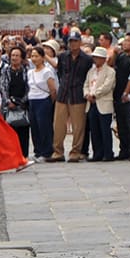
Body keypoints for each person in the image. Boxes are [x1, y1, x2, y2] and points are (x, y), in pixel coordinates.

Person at [48, 33, 92, 162]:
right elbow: (60, 72)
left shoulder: (86, 59)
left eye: (76, 41)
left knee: (78, 126)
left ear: (80, 42)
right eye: (71, 41)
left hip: (78, 95)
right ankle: (58, 152)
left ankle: (75, 152)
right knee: (58, 125)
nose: (73, 44)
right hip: (63, 94)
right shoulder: (63, 56)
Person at [112, 32, 130, 161]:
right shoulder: (121, 56)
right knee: (121, 124)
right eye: (124, 41)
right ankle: (123, 149)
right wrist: (114, 53)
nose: (125, 43)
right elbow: (112, 66)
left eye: (128, 41)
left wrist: (127, 92)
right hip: (118, 93)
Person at [0, 45, 32, 160]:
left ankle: (24, 155)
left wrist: (21, 102)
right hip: (9, 106)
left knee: (23, 132)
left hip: (23, 105)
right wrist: (8, 102)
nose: (14, 58)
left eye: (17, 55)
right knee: (10, 132)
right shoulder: (5, 71)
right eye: (12, 55)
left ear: (22, 57)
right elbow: (3, 88)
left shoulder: (27, 70)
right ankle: (12, 156)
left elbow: (29, 87)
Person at [84, 46, 116, 161]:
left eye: (98, 58)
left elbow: (107, 86)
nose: (96, 60)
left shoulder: (110, 71)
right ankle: (97, 153)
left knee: (105, 129)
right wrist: (87, 94)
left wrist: (94, 95)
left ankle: (108, 153)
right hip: (91, 104)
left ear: (104, 59)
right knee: (94, 129)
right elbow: (86, 85)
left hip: (103, 102)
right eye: (94, 57)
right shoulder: (91, 71)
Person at [27, 46, 57, 161]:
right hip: (32, 100)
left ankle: (47, 151)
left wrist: (50, 102)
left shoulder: (47, 71)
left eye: (36, 56)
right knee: (34, 127)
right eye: (32, 56)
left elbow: (53, 90)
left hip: (43, 100)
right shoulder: (30, 72)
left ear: (42, 57)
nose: (34, 58)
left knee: (44, 126)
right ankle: (38, 150)